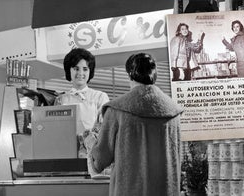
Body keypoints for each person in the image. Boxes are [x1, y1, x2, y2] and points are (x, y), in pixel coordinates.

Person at [84, 53, 184, 196]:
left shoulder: (116, 110)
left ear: (129, 75)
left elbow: (99, 162)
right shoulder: (173, 111)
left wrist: (90, 143)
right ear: (154, 74)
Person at [54, 48, 109, 157]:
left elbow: (105, 129)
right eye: (76, 68)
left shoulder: (100, 97)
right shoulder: (60, 100)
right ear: (69, 70)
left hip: (93, 156)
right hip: (66, 155)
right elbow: (56, 132)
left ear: (90, 72)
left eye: (85, 69)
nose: (80, 73)